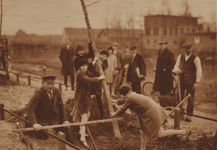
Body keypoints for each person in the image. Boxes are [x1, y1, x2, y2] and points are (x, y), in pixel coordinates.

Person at [111, 85, 191, 150]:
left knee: (161, 133)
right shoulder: (132, 94)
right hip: (151, 111)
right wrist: (115, 101)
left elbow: (123, 108)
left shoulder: (130, 98)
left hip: (152, 113)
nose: (121, 96)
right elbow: (124, 101)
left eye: (121, 95)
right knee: (142, 131)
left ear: (123, 94)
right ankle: (142, 148)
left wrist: (114, 113)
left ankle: (184, 132)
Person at [70, 59, 105, 148]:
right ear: (79, 67)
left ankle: (78, 128)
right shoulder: (79, 74)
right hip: (80, 98)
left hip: (85, 97)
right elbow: (89, 80)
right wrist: (99, 78)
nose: (84, 67)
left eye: (85, 66)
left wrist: (96, 65)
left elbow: (91, 75)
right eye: (83, 66)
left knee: (85, 115)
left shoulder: (85, 72)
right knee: (84, 117)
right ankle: (82, 139)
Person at [27, 75, 72, 143]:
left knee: (66, 132)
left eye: (52, 84)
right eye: (48, 84)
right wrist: (34, 123)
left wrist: (64, 120)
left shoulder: (56, 91)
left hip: (53, 118)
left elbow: (61, 106)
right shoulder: (38, 93)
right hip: (41, 119)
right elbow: (30, 108)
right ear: (43, 83)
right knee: (43, 136)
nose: (50, 86)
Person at [172, 42, 202, 122]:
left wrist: (197, 82)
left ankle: (189, 115)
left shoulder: (196, 58)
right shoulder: (180, 57)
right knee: (179, 97)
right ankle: (180, 113)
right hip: (181, 80)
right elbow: (176, 66)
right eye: (186, 49)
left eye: (189, 48)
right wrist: (178, 70)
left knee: (190, 98)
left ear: (191, 48)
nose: (188, 50)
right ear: (184, 49)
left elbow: (199, 70)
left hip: (191, 81)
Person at [88, 50, 109, 119]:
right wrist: (94, 60)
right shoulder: (96, 60)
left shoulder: (105, 63)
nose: (104, 57)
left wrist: (99, 62)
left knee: (98, 98)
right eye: (103, 55)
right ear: (100, 55)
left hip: (98, 82)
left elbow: (101, 68)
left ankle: (101, 114)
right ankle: (87, 112)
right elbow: (89, 68)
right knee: (88, 96)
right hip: (92, 81)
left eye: (106, 57)